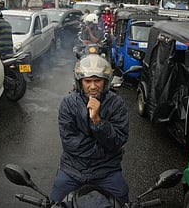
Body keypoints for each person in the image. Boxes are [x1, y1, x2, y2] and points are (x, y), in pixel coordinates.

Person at [50, 54, 130, 206]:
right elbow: (69, 143)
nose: (92, 86)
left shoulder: (117, 104)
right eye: (88, 81)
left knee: (123, 200)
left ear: (105, 82)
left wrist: (97, 121)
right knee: (54, 201)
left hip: (106, 171)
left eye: (97, 80)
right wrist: (103, 149)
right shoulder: (68, 104)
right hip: (72, 170)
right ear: (80, 82)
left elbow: (118, 140)